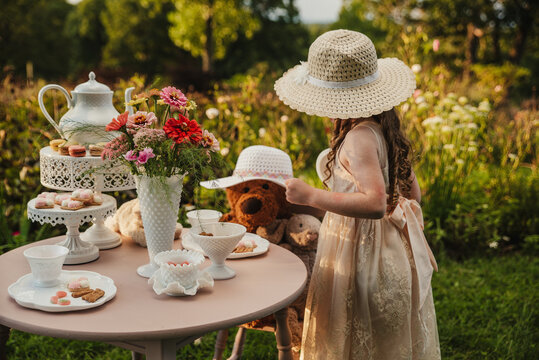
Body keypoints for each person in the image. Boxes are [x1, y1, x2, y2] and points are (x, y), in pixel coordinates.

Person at [274, 29, 441, 359]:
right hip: (391, 251)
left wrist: (310, 196)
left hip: (361, 254)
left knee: (353, 328)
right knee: (385, 340)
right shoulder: (385, 130)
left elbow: (376, 203)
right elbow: (414, 196)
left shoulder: (358, 138)